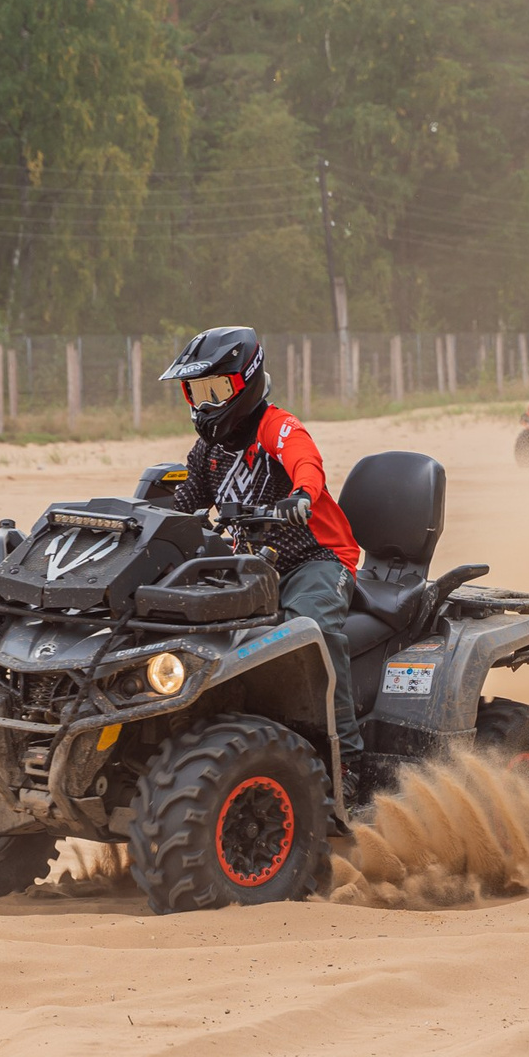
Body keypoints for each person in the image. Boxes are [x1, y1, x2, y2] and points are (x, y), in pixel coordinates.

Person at [156, 325, 365, 788]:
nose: (207, 404)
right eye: (196, 392)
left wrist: (302, 496)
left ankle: (347, 762)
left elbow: (306, 462)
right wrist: (145, 525)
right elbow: (182, 505)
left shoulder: (278, 427)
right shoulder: (208, 449)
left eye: (217, 390)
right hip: (248, 566)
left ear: (247, 380)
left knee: (309, 634)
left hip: (317, 559)